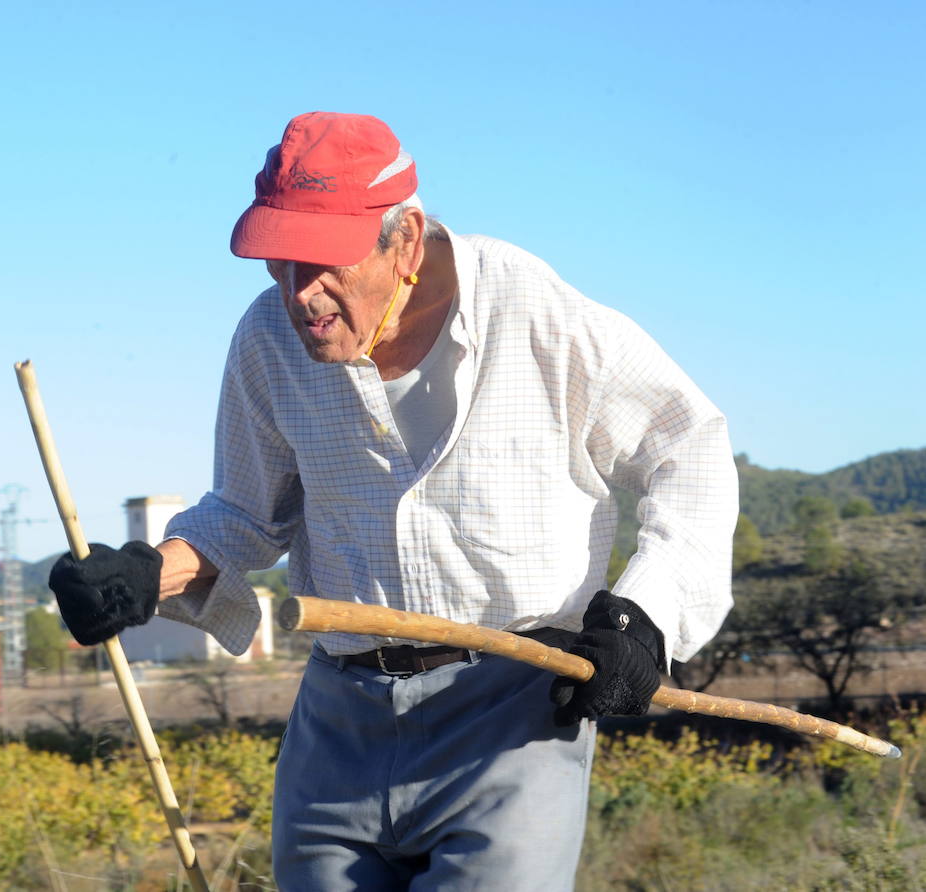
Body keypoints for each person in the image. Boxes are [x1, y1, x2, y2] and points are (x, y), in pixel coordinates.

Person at [49, 111, 738, 890]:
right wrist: (144, 574)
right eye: (278, 264)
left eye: (323, 263)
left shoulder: (532, 311)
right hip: (338, 720)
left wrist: (648, 614)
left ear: (405, 238)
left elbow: (689, 444)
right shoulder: (268, 339)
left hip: (510, 712)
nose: (299, 295)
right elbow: (245, 515)